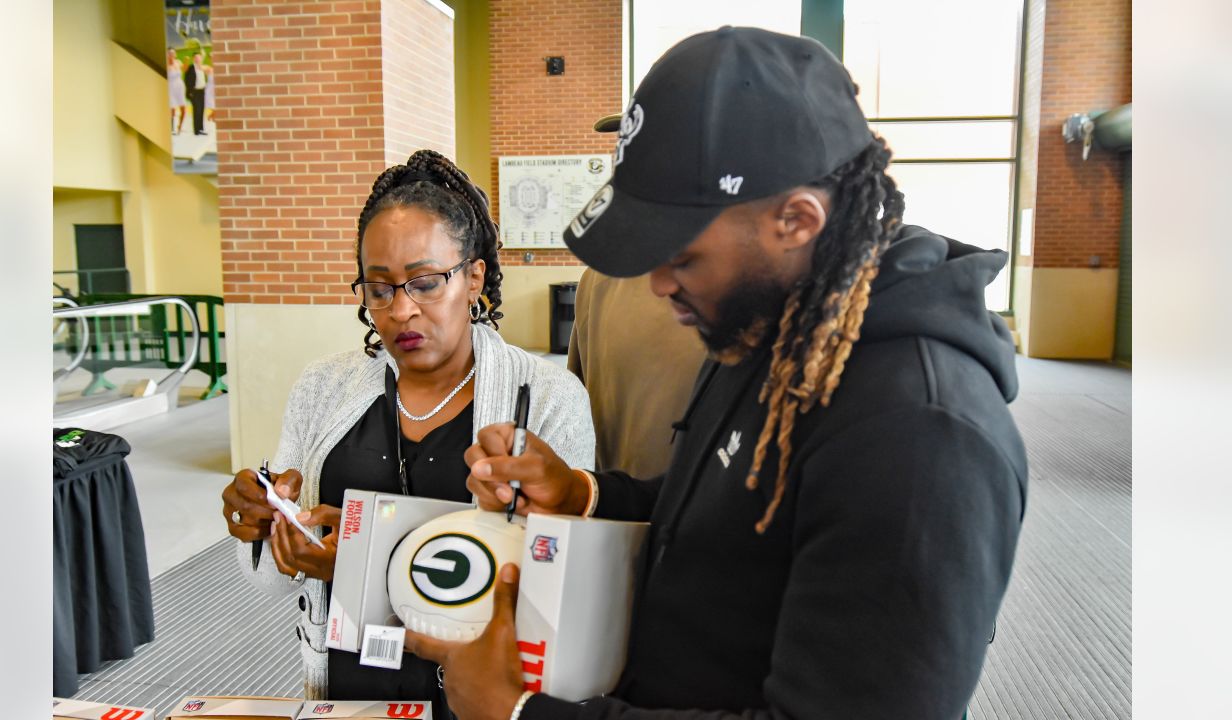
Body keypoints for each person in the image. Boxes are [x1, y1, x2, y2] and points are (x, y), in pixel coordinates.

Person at [405, 28, 1028, 720]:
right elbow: (727, 513)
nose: (658, 285)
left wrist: (520, 715)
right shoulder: (772, 327)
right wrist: (583, 492)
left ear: (795, 220)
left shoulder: (921, 435)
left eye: (682, 255)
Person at [220, 149, 595, 716]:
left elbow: (556, 588)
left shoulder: (544, 398)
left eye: (424, 283)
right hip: (350, 685)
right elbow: (273, 584)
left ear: (474, 277)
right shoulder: (325, 388)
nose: (400, 310)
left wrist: (358, 566)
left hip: (481, 693)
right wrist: (265, 523)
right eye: (378, 288)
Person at [566, 265, 705, 477]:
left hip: (610, 494)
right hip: (693, 497)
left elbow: (574, 408)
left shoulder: (596, 278)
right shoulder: (728, 278)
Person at [184, 53, 207, 135]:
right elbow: (187, 79)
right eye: (196, 58)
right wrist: (190, 91)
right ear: (193, 59)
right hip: (195, 92)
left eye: (199, 58)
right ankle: (196, 130)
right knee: (197, 110)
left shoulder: (202, 67)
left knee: (201, 110)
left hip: (202, 91)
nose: (198, 59)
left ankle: (201, 128)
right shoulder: (191, 68)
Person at [166, 48, 186, 135]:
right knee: (172, 109)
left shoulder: (178, 62)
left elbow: (184, 69)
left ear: (175, 54)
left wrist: (185, 62)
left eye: (173, 53)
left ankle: (179, 127)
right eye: (169, 53)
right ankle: (171, 128)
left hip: (180, 87)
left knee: (183, 109)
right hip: (171, 88)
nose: (171, 55)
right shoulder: (166, 64)